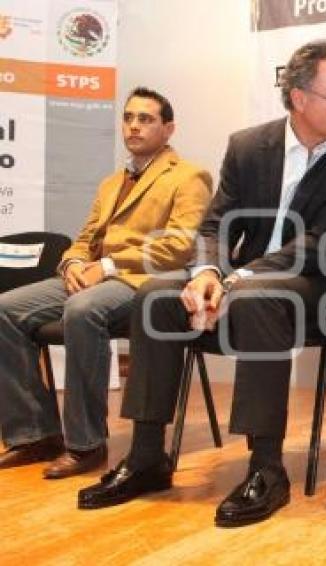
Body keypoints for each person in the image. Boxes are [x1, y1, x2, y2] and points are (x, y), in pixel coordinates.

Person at [77, 39, 326, 528]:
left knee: (256, 298)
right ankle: (147, 456)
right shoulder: (248, 146)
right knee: (156, 296)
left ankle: (267, 467)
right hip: (247, 283)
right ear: (299, 98)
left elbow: (323, 241)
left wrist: (236, 278)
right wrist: (205, 273)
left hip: (320, 283)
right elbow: (214, 225)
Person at [0, 87, 212, 479]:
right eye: (128, 117)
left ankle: (86, 443)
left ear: (168, 129)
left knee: (82, 309)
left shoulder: (189, 176)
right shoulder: (111, 182)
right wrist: (74, 262)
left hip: (146, 281)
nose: (133, 126)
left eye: (145, 119)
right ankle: (35, 433)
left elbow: (179, 247)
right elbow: (85, 238)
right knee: (5, 310)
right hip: (97, 275)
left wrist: (109, 265)